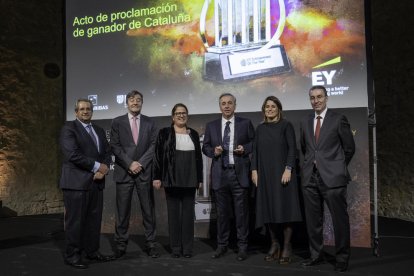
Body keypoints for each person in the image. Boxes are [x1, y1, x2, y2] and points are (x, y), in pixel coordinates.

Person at [300, 85, 355, 272]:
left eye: (319, 97)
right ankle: (316, 255)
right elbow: (305, 148)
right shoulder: (306, 121)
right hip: (310, 178)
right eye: (312, 98)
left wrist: (336, 167)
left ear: (326, 98)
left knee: (339, 220)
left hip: (333, 179)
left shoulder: (339, 119)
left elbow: (349, 148)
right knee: (313, 221)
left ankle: (342, 258)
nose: (316, 100)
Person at [59, 98, 113, 269]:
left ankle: (92, 251)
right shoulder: (69, 128)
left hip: (96, 183)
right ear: (76, 112)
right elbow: (72, 155)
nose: (85, 111)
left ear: (92, 111)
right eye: (81, 109)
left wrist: (103, 169)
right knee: (75, 222)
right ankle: (73, 256)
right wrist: (97, 167)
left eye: (88, 108)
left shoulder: (98, 129)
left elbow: (106, 152)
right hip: (76, 183)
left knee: (93, 220)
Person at [202, 93, 255, 261]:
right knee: (222, 215)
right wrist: (214, 152)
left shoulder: (245, 123)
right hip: (220, 174)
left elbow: (254, 143)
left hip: (238, 173)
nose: (226, 106)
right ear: (220, 106)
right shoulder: (211, 126)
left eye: (229, 103)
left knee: (241, 214)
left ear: (235, 105)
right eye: (223, 103)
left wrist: (244, 149)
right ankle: (222, 246)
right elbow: (206, 147)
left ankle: (242, 247)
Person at [251, 96, 302, 264]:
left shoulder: (286, 125)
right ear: (263, 110)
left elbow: (292, 150)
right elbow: (255, 151)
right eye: (267, 107)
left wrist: (288, 169)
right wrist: (254, 170)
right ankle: (274, 244)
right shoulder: (260, 128)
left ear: (279, 108)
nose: (270, 109)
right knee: (268, 210)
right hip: (265, 175)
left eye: (273, 106)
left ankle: (287, 246)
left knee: (285, 210)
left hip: (283, 175)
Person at [110, 90, 160, 258]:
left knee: (148, 210)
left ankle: (151, 243)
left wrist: (141, 163)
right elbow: (115, 146)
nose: (135, 102)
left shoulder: (150, 123)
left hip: (144, 172)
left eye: (139, 100)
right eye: (132, 100)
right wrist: (129, 163)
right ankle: (121, 244)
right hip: (124, 172)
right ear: (127, 103)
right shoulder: (117, 122)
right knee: (122, 212)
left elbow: (154, 146)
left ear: (142, 103)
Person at [152, 103, 203, 258]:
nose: (181, 115)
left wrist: (199, 178)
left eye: (184, 113)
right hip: (171, 179)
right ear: (173, 116)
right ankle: (175, 248)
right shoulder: (164, 133)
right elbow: (157, 156)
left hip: (190, 180)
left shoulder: (193, 133)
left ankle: (187, 249)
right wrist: (156, 176)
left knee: (188, 216)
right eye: (178, 113)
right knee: (174, 215)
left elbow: (198, 158)